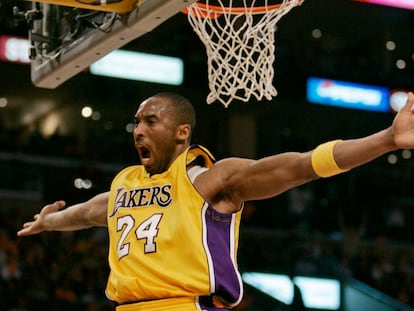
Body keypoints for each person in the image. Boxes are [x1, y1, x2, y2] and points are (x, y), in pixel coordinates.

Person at [17, 91, 414, 310]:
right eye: (136, 121)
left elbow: (300, 167)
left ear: (180, 132)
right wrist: (48, 222)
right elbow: (86, 214)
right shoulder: (125, 185)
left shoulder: (208, 178)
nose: (138, 130)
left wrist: (385, 139)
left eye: (150, 121)